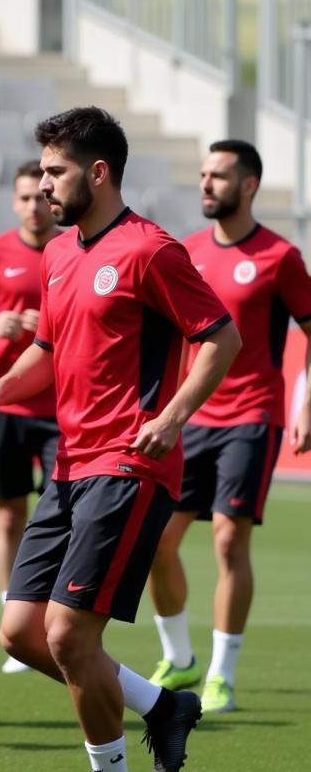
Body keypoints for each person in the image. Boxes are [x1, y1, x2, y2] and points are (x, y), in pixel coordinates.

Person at [0, 107, 241, 772]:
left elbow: (222, 336)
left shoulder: (151, 250)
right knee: (21, 631)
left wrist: (176, 414)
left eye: (56, 171)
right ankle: (161, 705)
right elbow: (53, 353)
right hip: (69, 466)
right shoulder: (61, 254)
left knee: (66, 636)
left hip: (130, 463)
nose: (43, 184)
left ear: (97, 172)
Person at [146, 140, 311, 713]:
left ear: (249, 186)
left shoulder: (280, 256)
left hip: (252, 414)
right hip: (190, 417)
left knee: (226, 538)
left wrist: (305, 406)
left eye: (219, 176)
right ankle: (179, 655)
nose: (206, 185)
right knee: (157, 541)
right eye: (202, 175)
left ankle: (222, 673)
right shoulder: (185, 253)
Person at [0, 160, 60, 674]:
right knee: (8, 514)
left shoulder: (70, 250)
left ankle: (45, 615)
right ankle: (13, 612)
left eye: (40, 196)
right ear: (14, 201)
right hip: (7, 404)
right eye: (24, 197)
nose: (34, 206)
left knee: (59, 515)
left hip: (58, 408)